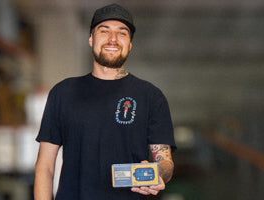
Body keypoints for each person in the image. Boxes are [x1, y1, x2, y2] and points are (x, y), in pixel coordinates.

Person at [34, 3, 176, 200]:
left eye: (122, 33)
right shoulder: (63, 93)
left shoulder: (151, 97)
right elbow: (45, 166)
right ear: (91, 39)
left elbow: (165, 161)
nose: (113, 39)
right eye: (104, 31)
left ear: (130, 44)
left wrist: (158, 174)